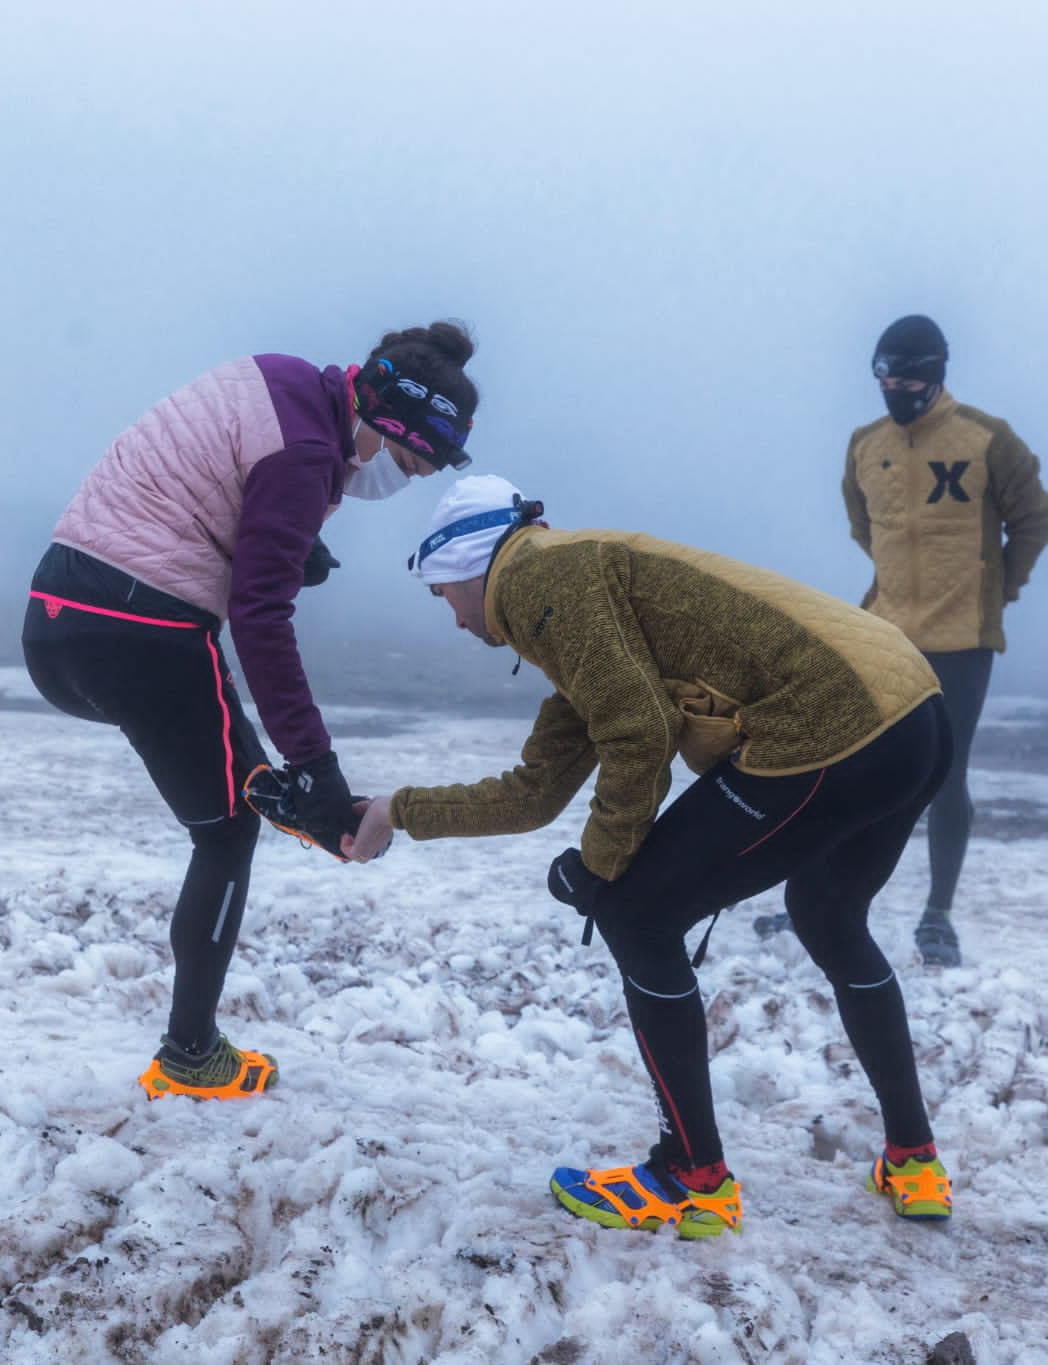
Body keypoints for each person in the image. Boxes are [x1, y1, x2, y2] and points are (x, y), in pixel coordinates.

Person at [345, 476, 958, 1237]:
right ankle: (915, 1160)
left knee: (637, 913)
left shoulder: (541, 579)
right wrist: (395, 811)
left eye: (442, 593)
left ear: (467, 562)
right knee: (828, 914)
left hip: (828, 726)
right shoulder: (580, 598)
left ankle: (690, 1176)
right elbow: (535, 791)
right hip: (915, 717)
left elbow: (639, 731)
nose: (452, 615)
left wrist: (600, 871)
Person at [22, 323, 479, 1102]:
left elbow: (208, 480)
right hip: (139, 629)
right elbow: (260, 618)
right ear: (379, 417)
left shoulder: (290, 383)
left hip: (58, 622)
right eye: (405, 458)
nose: (400, 477)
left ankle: (289, 799)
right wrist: (318, 761)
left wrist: (290, 539)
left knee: (236, 775)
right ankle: (191, 1055)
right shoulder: (306, 455)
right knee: (228, 825)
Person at [834, 314, 1048, 967]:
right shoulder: (863, 445)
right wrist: (891, 587)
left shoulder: (988, 440)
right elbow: (863, 525)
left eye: (905, 378)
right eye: (883, 376)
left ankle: (938, 915)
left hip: (961, 639)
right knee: (858, 767)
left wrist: (999, 591)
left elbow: (1034, 521)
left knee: (944, 775)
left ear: (934, 376)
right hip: (886, 631)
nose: (893, 389)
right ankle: (837, 898)